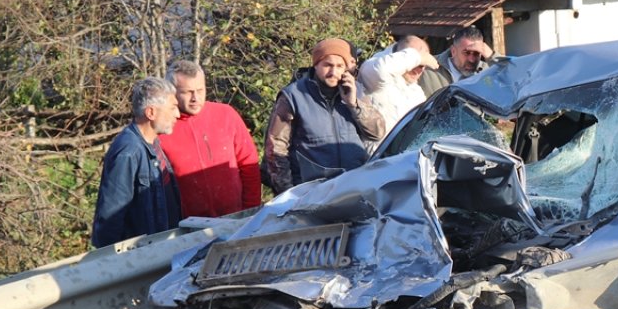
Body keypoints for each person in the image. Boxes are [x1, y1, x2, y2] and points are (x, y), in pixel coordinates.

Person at [91, 77, 182, 309]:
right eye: (172, 108)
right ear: (150, 111)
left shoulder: (152, 146)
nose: (178, 114)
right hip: (137, 256)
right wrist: (113, 266)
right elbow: (110, 216)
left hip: (159, 251)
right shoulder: (129, 151)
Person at [264, 38, 386, 193]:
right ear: (316, 65)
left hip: (352, 188)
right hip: (311, 192)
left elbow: (377, 133)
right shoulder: (293, 96)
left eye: (340, 66)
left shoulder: (355, 91)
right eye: (327, 65)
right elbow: (276, 149)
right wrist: (288, 193)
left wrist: (354, 104)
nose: (334, 72)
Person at [158, 61, 261, 217]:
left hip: (236, 218)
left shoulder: (226, 115)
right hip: (188, 226)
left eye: (200, 90)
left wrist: (251, 210)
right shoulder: (162, 129)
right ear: (172, 93)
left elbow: (249, 165)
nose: (195, 98)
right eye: (187, 92)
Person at [357, 34, 440, 136]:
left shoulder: (417, 93)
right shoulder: (373, 71)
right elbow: (380, 70)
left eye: (423, 66)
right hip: (374, 149)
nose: (419, 71)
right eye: (416, 64)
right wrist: (417, 56)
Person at [420, 26, 495, 97]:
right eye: (466, 53)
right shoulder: (427, 69)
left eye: (476, 53)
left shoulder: (488, 71)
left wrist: (493, 57)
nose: (471, 59)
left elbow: (505, 90)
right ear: (453, 51)